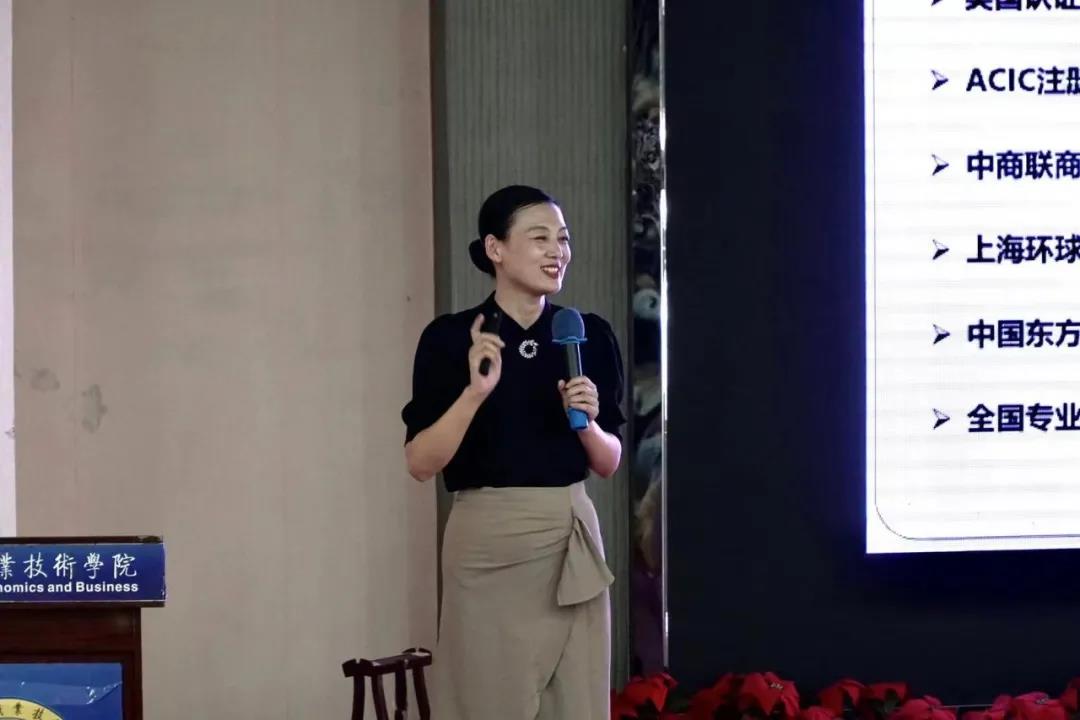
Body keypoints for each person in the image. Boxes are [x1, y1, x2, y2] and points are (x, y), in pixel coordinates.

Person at [401, 185, 626, 719]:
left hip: (568, 535)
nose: (557, 251)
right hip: (487, 544)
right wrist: (474, 393)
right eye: (540, 238)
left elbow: (608, 461)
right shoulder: (451, 338)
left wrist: (588, 423)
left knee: (574, 699)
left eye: (563, 239)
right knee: (485, 698)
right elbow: (420, 463)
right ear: (495, 248)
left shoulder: (586, 334)